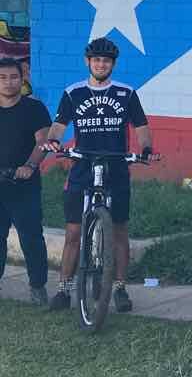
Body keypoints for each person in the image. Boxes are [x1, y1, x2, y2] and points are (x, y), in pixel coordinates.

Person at [44, 38, 153, 313]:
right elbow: (59, 125)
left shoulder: (126, 93)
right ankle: (64, 289)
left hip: (116, 166)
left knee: (119, 230)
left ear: (113, 64)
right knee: (73, 232)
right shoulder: (73, 92)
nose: (101, 64)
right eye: (96, 60)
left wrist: (146, 149)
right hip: (82, 165)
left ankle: (119, 288)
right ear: (87, 62)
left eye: (106, 60)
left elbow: (141, 126)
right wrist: (54, 141)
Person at [0, 57, 51, 305]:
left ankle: (38, 286)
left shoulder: (34, 108)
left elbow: (43, 141)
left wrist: (29, 166)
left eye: (13, 77)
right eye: (2, 77)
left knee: (31, 237)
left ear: (22, 80)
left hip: (23, 184)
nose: (8, 82)